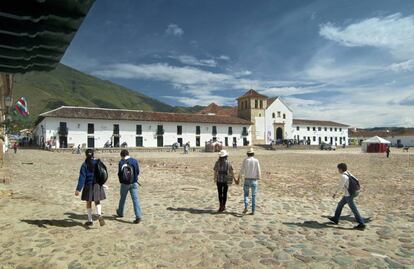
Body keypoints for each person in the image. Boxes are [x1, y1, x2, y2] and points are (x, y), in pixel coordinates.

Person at [328, 163, 366, 230]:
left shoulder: (343, 176)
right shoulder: (348, 172)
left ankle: (361, 224)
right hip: (354, 192)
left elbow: (340, 186)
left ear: (341, 169)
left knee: (354, 209)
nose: (338, 170)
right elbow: (357, 180)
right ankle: (335, 219)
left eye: (338, 169)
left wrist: (335, 193)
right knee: (340, 204)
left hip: (349, 194)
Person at [75, 149, 106, 226]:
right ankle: (99, 215)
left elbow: (82, 177)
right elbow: (103, 173)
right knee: (97, 201)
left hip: (88, 185)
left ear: (86, 155)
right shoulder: (98, 162)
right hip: (97, 185)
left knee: (88, 202)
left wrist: (78, 189)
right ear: (93, 154)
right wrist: (102, 183)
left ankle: (90, 220)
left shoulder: (84, 164)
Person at [116, 149, 142, 224]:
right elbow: (137, 171)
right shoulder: (134, 161)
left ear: (122, 155)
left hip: (124, 183)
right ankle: (138, 215)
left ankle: (120, 212)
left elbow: (120, 173)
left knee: (122, 198)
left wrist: (121, 181)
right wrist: (135, 178)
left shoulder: (121, 162)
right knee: (135, 199)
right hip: (134, 183)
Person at [238, 148, 261, 215]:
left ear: (247, 154)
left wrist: (239, 177)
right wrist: (259, 177)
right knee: (254, 195)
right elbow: (258, 170)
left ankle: (246, 206)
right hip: (254, 180)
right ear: (253, 153)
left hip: (247, 179)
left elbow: (242, 170)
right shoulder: (256, 160)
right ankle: (253, 210)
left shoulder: (245, 160)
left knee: (246, 194)